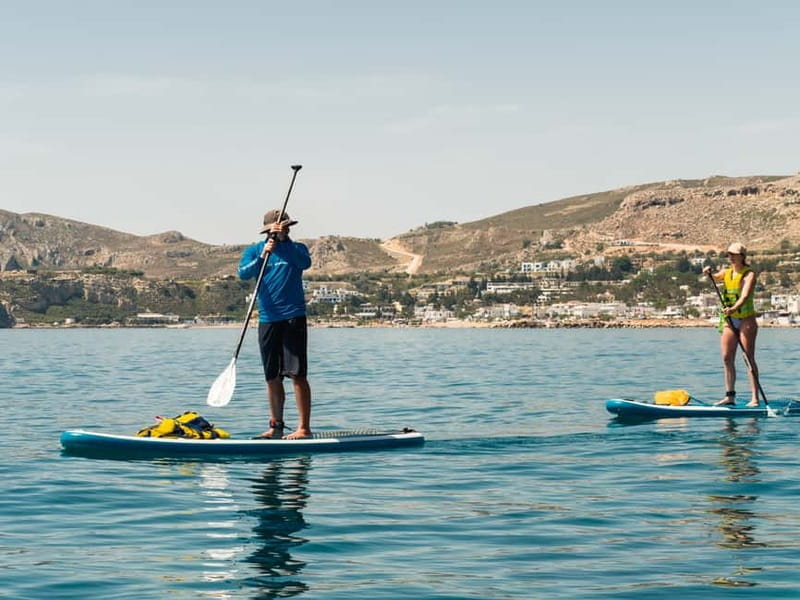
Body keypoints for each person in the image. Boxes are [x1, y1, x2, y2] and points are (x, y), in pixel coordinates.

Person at [239, 209, 313, 439]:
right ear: (268, 230)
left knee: (297, 374)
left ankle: (304, 428)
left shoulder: (297, 248)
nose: (285, 229)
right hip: (267, 320)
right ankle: (276, 426)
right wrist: (263, 255)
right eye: (281, 227)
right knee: (272, 376)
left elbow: (304, 263)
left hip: (293, 317)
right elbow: (243, 274)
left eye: (287, 226)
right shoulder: (254, 250)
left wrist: (283, 241)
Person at [702, 242, 760, 407]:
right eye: (729, 254)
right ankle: (730, 396)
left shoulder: (749, 274)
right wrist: (708, 272)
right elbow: (715, 277)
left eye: (734, 254)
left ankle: (755, 398)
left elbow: (745, 296)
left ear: (742, 256)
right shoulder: (726, 272)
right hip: (730, 319)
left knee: (748, 358)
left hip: (746, 319)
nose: (731, 257)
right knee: (727, 357)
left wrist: (733, 308)